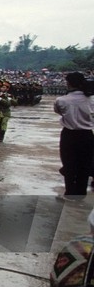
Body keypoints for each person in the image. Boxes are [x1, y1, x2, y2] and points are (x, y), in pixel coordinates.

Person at [53, 72, 94, 202]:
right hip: (87, 134)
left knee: (69, 164)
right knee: (84, 165)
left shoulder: (62, 100)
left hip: (69, 135)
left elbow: (59, 111)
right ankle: (80, 194)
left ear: (69, 83)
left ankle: (70, 193)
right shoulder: (91, 99)